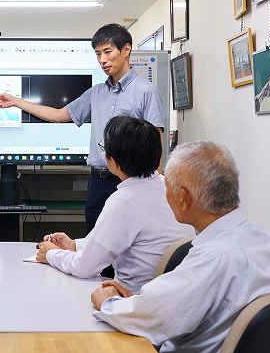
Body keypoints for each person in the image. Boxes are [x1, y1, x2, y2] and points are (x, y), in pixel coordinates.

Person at [90, 140, 270, 353]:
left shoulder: (213, 259)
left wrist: (108, 302)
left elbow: (158, 319)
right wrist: (141, 304)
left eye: (167, 187)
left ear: (184, 198)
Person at [0, 23, 164, 234]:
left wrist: (155, 192)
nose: (102, 60)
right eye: (98, 54)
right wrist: (15, 101)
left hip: (131, 182)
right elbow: (57, 115)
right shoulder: (96, 93)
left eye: (107, 52)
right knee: (94, 240)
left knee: (126, 242)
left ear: (126, 49)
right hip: (98, 182)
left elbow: (156, 146)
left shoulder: (146, 91)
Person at [35, 116, 193, 294]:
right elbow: (126, 240)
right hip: (169, 295)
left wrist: (50, 254)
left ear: (115, 163)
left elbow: (84, 267)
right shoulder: (171, 189)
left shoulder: (124, 201)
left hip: (131, 299)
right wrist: (74, 245)